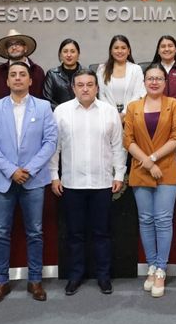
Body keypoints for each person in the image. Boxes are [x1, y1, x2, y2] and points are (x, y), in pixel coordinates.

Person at [0, 62, 58, 304]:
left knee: (35, 232)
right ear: (6, 82)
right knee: (1, 233)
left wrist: (29, 169)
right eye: (12, 75)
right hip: (3, 180)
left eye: (22, 75)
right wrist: (11, 170)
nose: (17, 78)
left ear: (30, 80)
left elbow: (50, 141)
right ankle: (1, 283)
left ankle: (35, 281)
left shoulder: (44, 107)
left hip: (33, 179)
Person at [50, 69, 126, 295]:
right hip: (72, 184)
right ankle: (75, 276)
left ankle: (103, 276)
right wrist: (54, 175)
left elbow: (117, 146)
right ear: (73, 87)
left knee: (102, 233)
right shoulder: (62, 112)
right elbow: (55, 147)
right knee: (75, 234)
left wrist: (119, 174)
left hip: (102, 183)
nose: (85, 88)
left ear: (96, 88)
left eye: (90, 84)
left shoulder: (109, 112)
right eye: (80, 84)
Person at [123, 63, 176, 298]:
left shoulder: (173, 105)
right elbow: (128, 140)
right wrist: (147, 162)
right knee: (146, 219)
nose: (155, 82)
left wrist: (155, 158)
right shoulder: (133, 106)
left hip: (167, 169)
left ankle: (161, 269)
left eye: (159, 78)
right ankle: (151, 266)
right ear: (144, 81)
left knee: (162, 219)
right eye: (151, 78)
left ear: (165, 82)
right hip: (140, 169)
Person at [97, 34, 145, 121]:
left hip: (132, 116)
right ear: (111, 51)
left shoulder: (136, 69)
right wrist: (114, 114)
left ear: (128, 51)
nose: (120, 51)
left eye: (123, 48)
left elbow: (138, 94)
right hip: (108, 116)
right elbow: (101, 95)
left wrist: (124, 113)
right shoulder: (101, 69)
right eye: (116, 48)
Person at [0, 29, 46, 99]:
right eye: (10, 45)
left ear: (25, 48)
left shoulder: (37, 71)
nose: (14, 47)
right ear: (6, 51)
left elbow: (42, 98)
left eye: (18, 44)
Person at [43, 38, 84, 110]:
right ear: (60, 55)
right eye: (65, 51)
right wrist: (63, 112)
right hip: (59, 116)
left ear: (78, 54)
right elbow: (47, 100)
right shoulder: (52, 74)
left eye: (73, 51)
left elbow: (93, 96)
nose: (69, 55)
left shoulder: (87, 74)